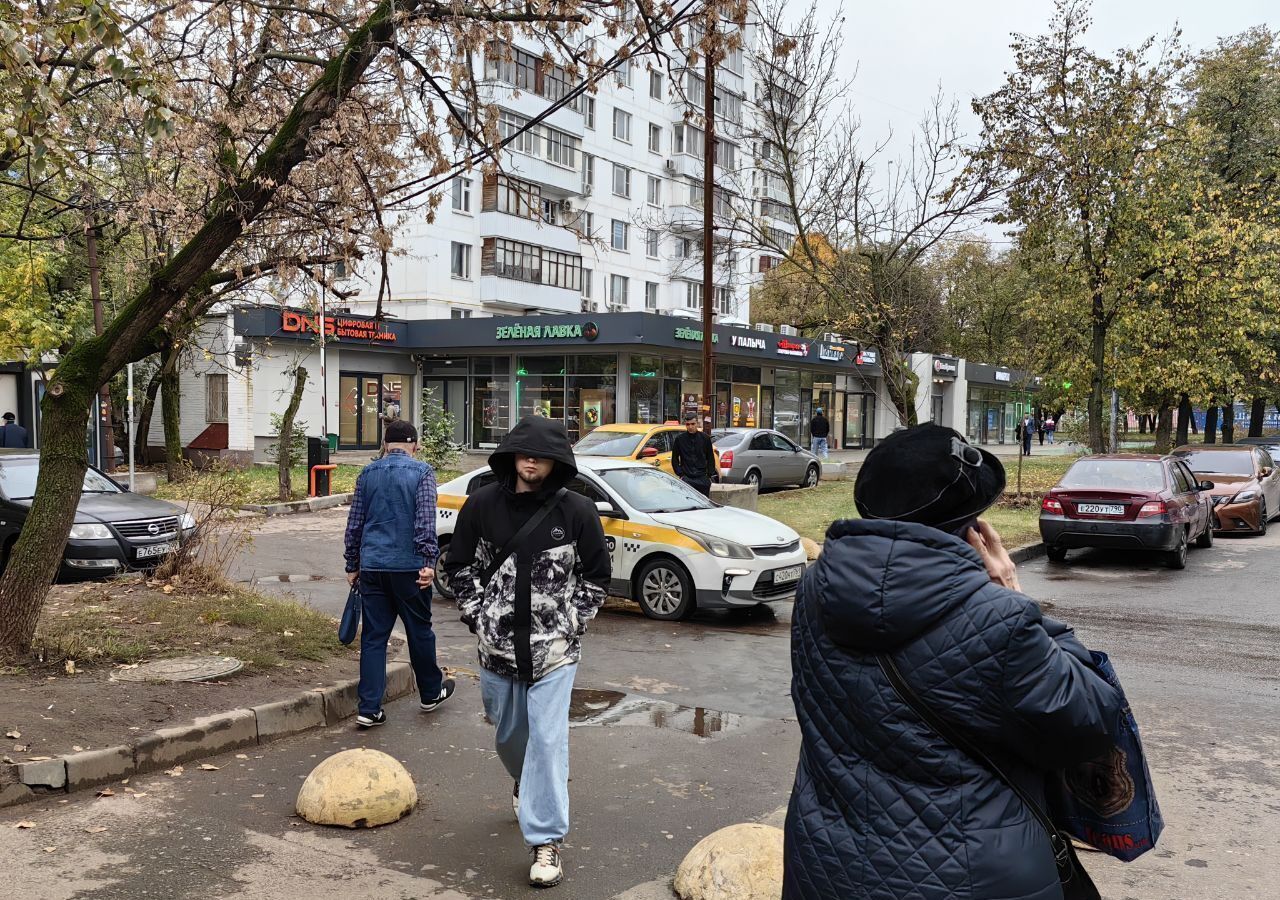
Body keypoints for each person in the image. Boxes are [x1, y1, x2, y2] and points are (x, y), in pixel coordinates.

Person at [783, 424, 1123, 900]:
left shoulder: (814, 590)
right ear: (974, 531)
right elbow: (1089, 719)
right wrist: (1011, 593)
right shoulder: (999, 619)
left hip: (826, 865)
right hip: (967, 876)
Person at [443, 416, 610, 888]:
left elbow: (597, 577)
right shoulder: (481, 505)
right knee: (509, 737)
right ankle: (524, 783)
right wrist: (478, 615)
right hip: (496, 653)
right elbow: (458, 566)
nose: (531, 460)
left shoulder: (577, 511)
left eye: (541, 454)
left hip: (554, 654)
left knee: (548, 742)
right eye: (524, 452)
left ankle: (546, 842)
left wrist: (572, 623)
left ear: (557, 461)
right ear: (512, 456)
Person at [344, 419, 455, 729]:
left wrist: (352, 564)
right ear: (414, 445)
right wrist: (428, 561)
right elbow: (424, 522)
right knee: (419, 631)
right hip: (409, 569)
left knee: (374, 638)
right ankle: (431, 693)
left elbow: (355, 524)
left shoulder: (367, 473)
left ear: (385, 444)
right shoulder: (422, 473)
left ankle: (369, 708)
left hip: (374, 567)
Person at [670, 413, 718, 496]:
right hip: (687, 478)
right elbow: (674, 458)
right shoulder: (680, 439)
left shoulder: (705, 438)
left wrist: (709, 476)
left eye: (693, 424)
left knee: (703, 504)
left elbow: (710, 458)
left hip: (702, 478)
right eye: (688, 424)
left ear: (697, 424)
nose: (690, 427)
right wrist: (680, 474)